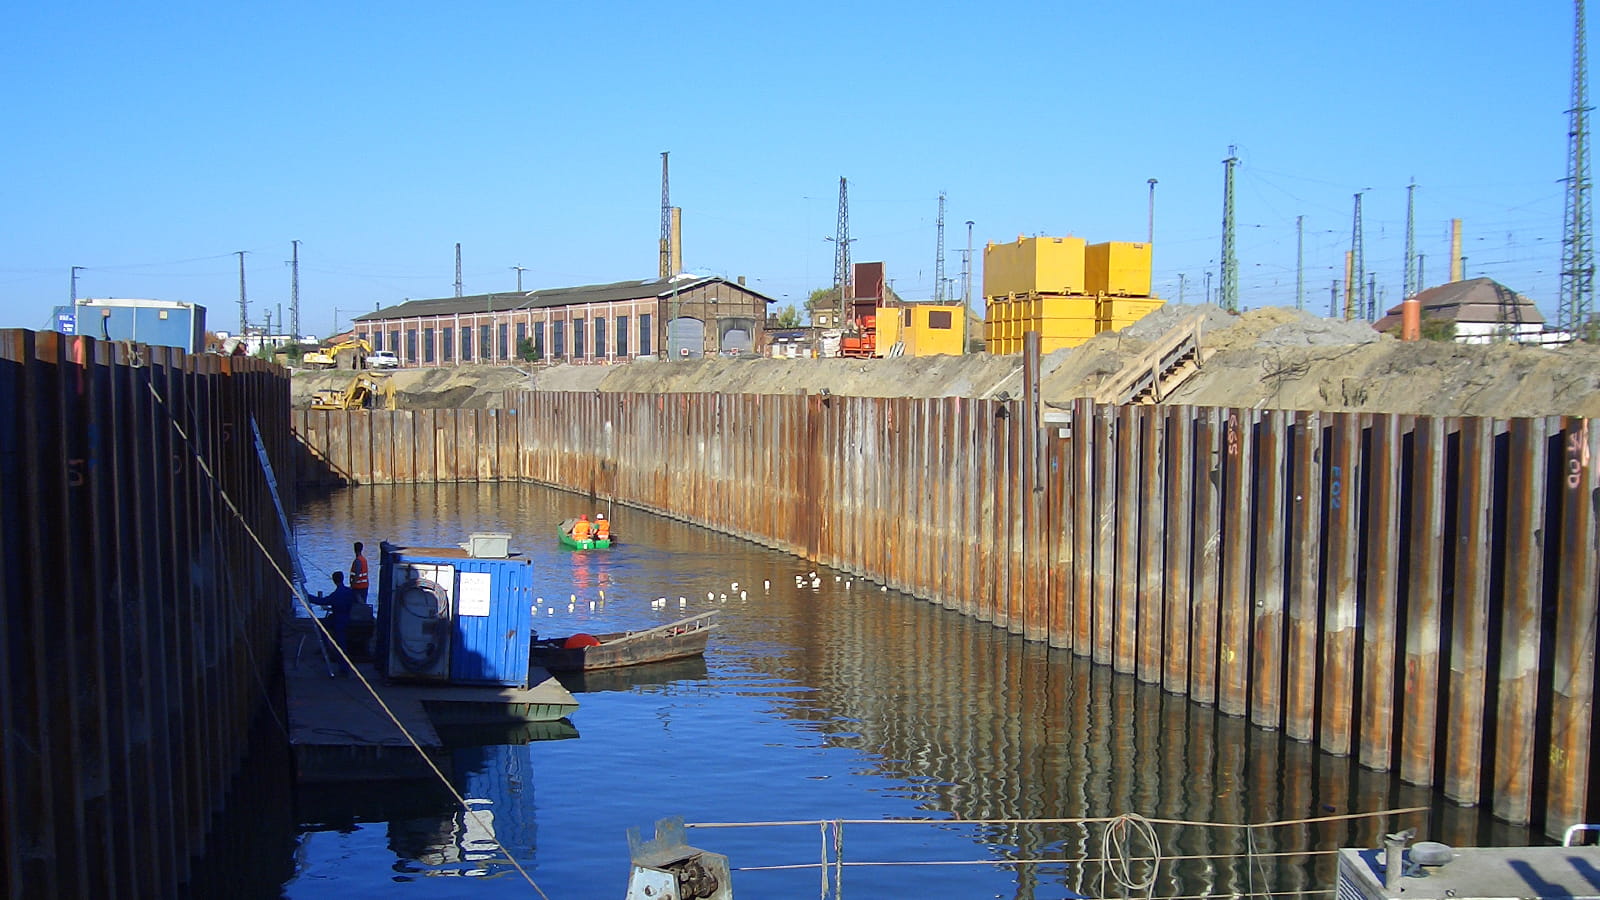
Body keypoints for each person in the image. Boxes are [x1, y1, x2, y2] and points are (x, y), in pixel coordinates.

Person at [311, 571, 357, 673]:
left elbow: (322, 601)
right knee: (341, 642)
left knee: (339, 643)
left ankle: (329, 650)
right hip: (347, 618)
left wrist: (309, 597)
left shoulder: (336, 595)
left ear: (334, 581)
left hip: (338, 620)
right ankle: (341, 663)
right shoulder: (349, 592)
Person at [349, 541, 370, 607]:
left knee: (358, 606)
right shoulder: (364, 560)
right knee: (363, 605)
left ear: (354, 550)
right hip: (365, 586)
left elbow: (356, 575)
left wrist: (352, 586)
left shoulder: (357, 561)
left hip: (358, 588)